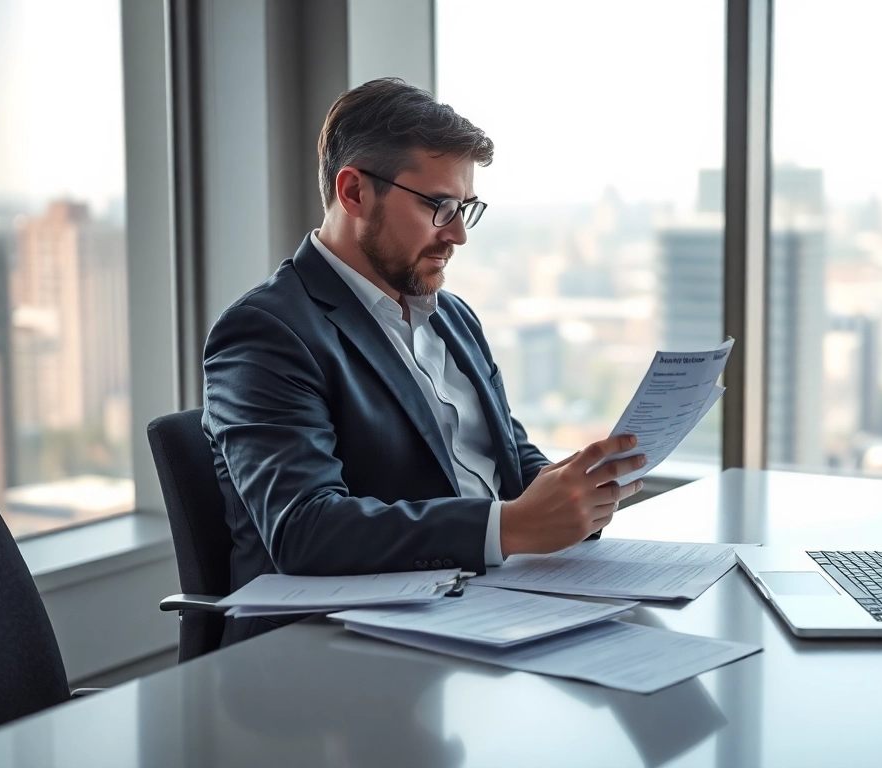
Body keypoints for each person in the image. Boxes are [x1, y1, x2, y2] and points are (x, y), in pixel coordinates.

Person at [203, 77, 645, 646]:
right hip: (339, 652)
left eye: (465, 208)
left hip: (491, 610)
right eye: (438, 206)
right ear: (355, 191)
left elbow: (506, 461)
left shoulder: (452, 317)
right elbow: (304, 530)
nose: (458, 234)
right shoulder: (266, 332)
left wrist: (575, 488)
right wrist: (507, 526)